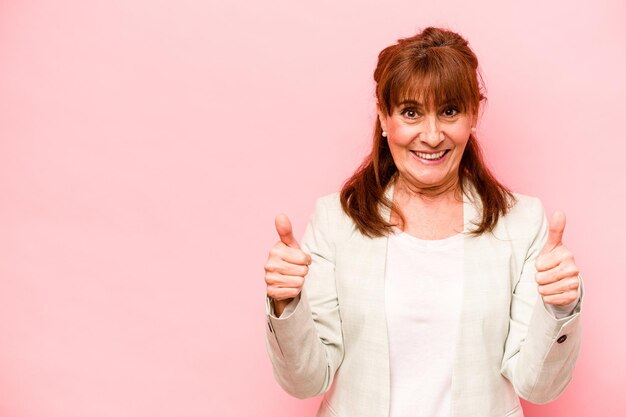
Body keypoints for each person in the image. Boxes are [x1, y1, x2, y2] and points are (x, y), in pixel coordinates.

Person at [263, 26, 583, 417]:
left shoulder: (521, 222)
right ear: (384, 118)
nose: (431, 136)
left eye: (449, 111)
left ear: (473, 115)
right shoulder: (335, 220)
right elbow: (306, 381)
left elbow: (538, 387)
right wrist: (285, 304)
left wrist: (560, 308)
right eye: (411, 112)